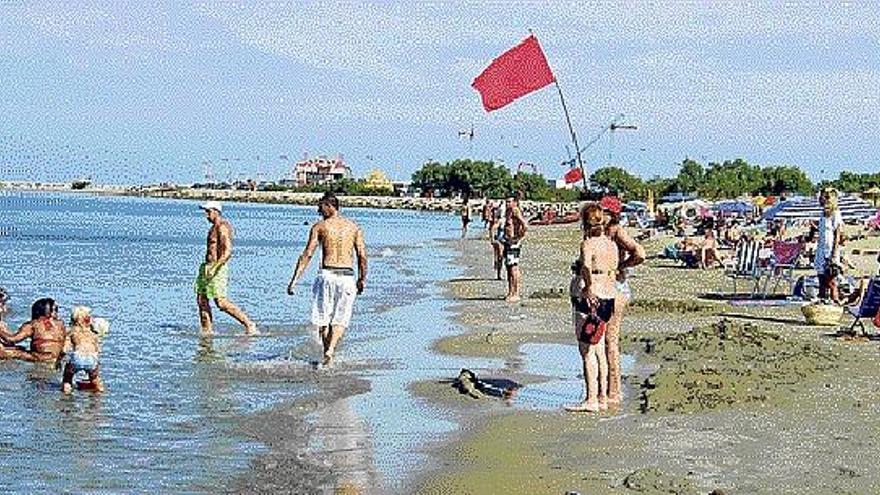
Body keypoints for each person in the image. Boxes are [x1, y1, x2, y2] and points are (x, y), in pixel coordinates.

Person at [288, 192, 367, 366]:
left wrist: (294, 280)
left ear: (330, 206)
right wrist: (362, 279)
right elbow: (362, 255)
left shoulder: (320, 227)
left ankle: (327, 353)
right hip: (347, 276)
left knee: (323, 319)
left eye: (320, 207)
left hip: (327, 275)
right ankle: (330, 351)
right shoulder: (354, 227)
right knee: (340, 319)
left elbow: (307, 254)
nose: (318, 211)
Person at [566, 203, 619, 413]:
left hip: (591, 297)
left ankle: (591, 399)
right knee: (599, 350)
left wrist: (588, 287)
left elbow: (587, 265)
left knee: (587, 350)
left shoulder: (588, 243)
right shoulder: (611, 244)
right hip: (608, 295)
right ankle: (602, 396)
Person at [598, 196, 645, 405]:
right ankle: (605, 386)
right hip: (604, 287)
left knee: (611, 340)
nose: (600, 216)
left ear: (613, 214)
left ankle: (615, 390)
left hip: (617, 288)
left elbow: (640, 253)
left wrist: (622, 266)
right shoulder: (601, 231)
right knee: (600, 338)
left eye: (604, 212)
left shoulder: (617, 231)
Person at [194, 201, 258, 335]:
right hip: (206, 266)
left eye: (208, 211)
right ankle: (207, 331)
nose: (206, 215)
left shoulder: (222, 227)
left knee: (221, 302)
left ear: (216, 211)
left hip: (217, 268)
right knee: (202, 299)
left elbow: (228, 251)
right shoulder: (213, 227)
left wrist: (215, 267)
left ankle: (249, 324)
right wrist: (207, 267)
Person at [0, 298, 66, 362]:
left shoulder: (33, 324)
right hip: (57, 358)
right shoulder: (60, 324)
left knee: (7, 352)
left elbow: (11, 339)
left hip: (40, 358)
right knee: (21, 348)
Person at [61, 305, 105, 394]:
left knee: (67, 378)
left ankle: (66, 397)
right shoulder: (93, 333)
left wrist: (60, 359)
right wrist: (97, 364)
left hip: (78, 357)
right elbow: (98, 349)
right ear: (88, 320)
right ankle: (99, 396)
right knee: (95, 379)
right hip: (92, 358)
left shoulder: (72, 331)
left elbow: (65, 349)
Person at [815, 188, 844, 303]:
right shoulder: (822, 214)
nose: (820, 199)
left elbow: (837, 235)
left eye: (823, 197)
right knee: (821, 279)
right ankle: (822, 301)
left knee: (831, 280)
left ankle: (835, 302)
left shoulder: (835, 214)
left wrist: (834, 253)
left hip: (830, 250)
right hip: (821, 250)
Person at [502, 192, 527, 302]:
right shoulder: (508, 211)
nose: (507, 203)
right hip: (507, 241)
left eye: (509, 202)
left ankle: (516, 293)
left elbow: (524, 225)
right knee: (508, 267)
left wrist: (518, 237)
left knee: (513, 267)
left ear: (515, 202)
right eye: (506, 201)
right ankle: (510, 291)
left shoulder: (515, 210)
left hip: (513, 242)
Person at [488, 200, 506, 280]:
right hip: (500, 240)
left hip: (507, 240)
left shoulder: (508, 220)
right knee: (500, 257)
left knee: (504, 258)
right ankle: (499, 274)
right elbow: (492, 228)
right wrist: (492, 239)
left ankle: (501, 273)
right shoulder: (501, 221)